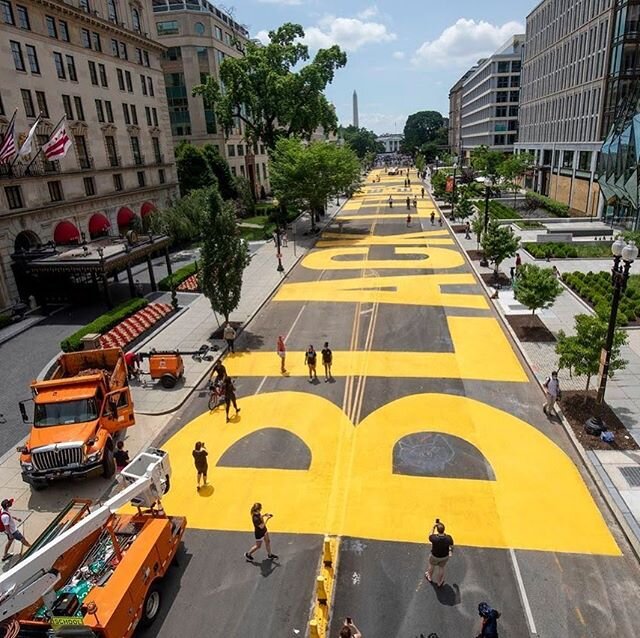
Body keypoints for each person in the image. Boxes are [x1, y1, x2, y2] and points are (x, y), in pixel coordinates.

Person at [425, 519, 454, 587]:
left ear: (437, 530)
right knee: (441, 568)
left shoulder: (434, 538)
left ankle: (429, 576)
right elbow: (452, 546)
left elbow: (430, 535)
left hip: (434, 556)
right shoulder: (449, 538)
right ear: (444, 529)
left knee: (431, 566)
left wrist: (433, 527)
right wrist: (450, 552)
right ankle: (439, 582)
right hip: (444, 556)